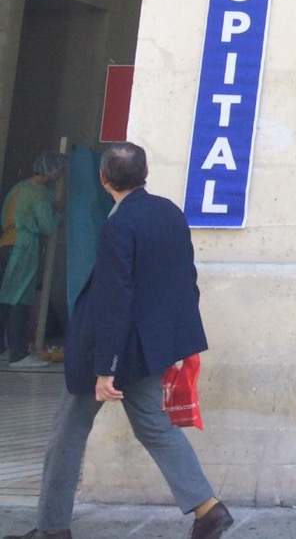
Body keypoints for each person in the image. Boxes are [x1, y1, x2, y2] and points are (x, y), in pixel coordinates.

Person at [3, 142, 233, 539]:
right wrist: (173, 343)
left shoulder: (118, 225)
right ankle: (207, 509)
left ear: (102, 178)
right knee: (154, 426)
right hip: (150, 347)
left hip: (111, 350)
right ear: (144, 174)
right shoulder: (170, 213)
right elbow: (184, 281)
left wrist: (104, 368)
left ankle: (53, 528)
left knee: (66, 436)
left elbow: (115, 299)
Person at [0, 152, 67, 367]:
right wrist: (57, 212)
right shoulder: (40, 193)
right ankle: (18, 355)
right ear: (53, 171)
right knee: (20, 299)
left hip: (6, 243)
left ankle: (3, 349)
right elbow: (47, 225)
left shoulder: (18, 188)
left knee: (5, 300)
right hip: (23, 246)